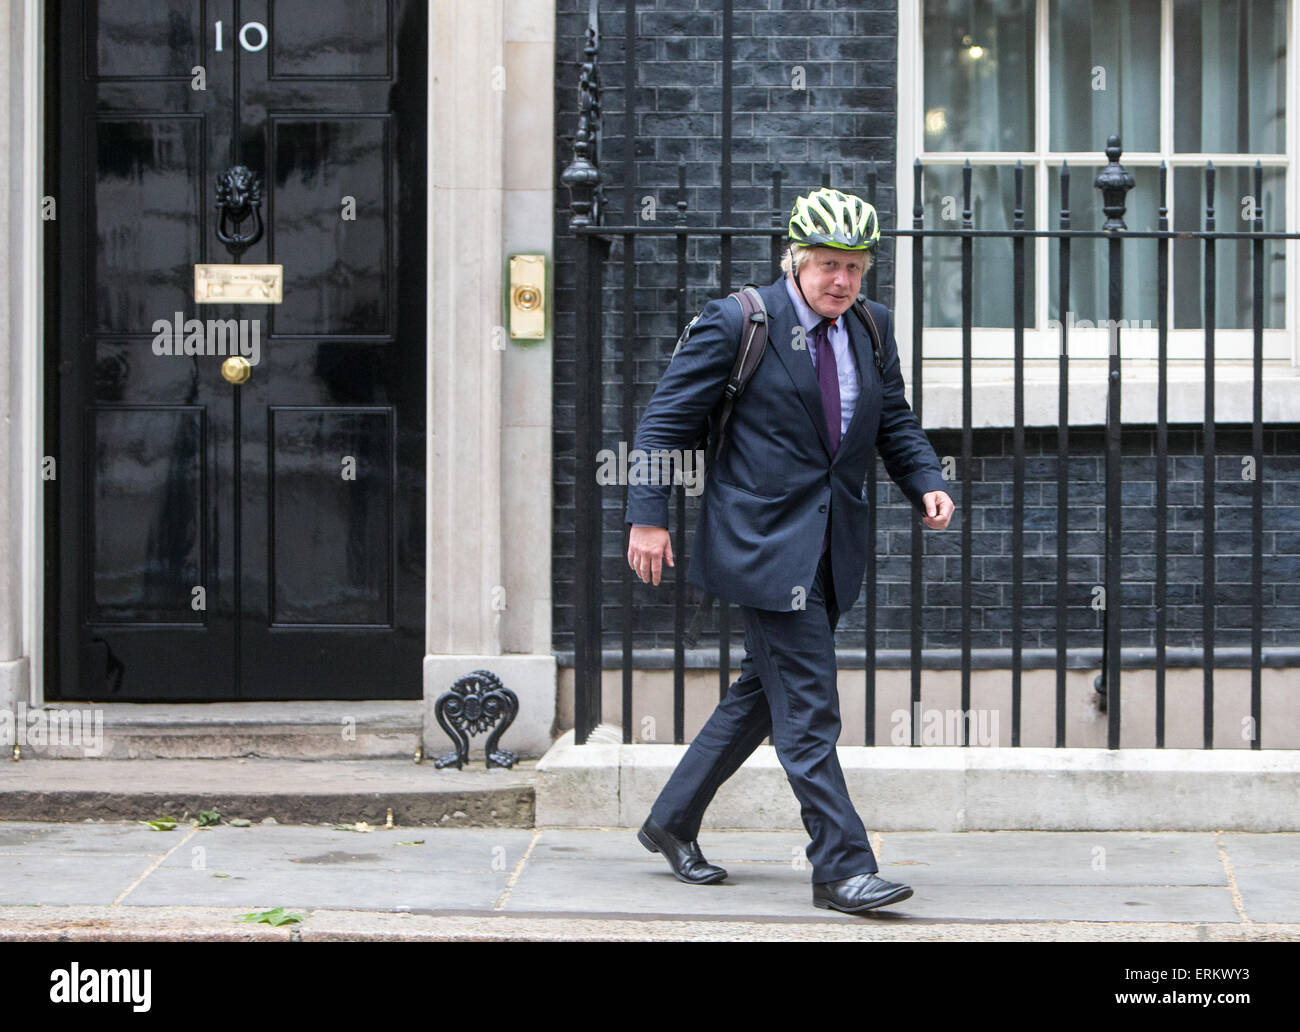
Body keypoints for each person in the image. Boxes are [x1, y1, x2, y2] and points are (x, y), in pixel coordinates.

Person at [624, 187, 954, 913]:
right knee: (809, 705)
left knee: (760, 695)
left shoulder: (871, 327)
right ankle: (841, 868)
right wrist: (647, 518)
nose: (843, 281)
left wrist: (924, 478)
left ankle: (670, 820)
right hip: (763, 545)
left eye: (857, 268)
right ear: (797, 261)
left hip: (833, 546)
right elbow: (662, 424)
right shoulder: (741, 322)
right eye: (830, 265)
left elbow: (892, 417)